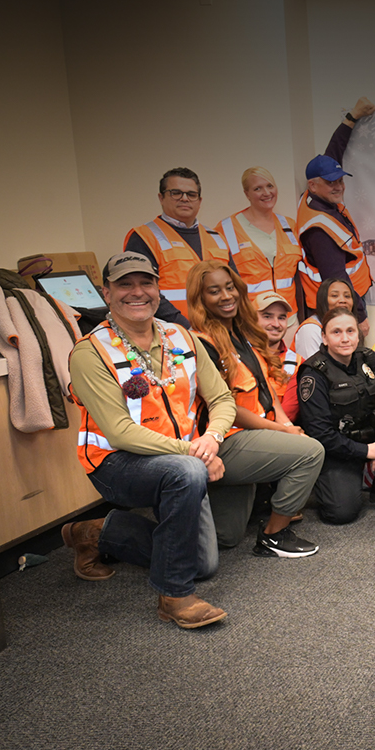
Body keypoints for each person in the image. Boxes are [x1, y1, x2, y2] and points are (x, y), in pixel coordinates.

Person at [60, 252, 230, 628]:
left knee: (204, 564)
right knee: (186, 473)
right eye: (125, 284)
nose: (137, 292)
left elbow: (221, 398)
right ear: (107, 293)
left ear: (158, 290)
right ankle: (175, 595)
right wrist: (194, 452)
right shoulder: (91, 352)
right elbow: (119, 431)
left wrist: (212, 438)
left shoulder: (181, 336)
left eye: (146, 283)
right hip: (115, 462)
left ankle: (96, 532)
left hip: (181, 458)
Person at [185, 262, 324, 555]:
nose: (226, 296)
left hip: (255, 436)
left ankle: (100, 531)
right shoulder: (200, 343)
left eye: (229, 287)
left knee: (225, 538)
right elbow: (227, 407)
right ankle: (274, 535)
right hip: (226, 440)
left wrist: (287, 426)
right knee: (311, 452)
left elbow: (266, 390)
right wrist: (282, 432)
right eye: (214, 291)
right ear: (200, 298)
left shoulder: (242, 334)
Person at [295, 308, 375, 525]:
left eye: (350, 331)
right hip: (338, 449)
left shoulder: (368, 358)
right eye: (336, 332)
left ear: (358, 334)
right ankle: (340, 477)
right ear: (324, 337)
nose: (345, 338)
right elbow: (320, 434)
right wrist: (366, 451)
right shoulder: (313, 374)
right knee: (341, 513)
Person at [296, 97, 375, 333]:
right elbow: (337, 277)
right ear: (313, 185)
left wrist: (352, 117)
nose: (339, 187)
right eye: (331, 182)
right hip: (341, 305)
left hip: (349, 298)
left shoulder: (314, 196)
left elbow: (331, 156)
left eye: (340, 181)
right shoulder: (319, 229)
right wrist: (359, 316)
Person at [124, 167, 230, 326]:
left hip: (220, 329)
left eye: (191, 194)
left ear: (199, 201)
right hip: (172, 332)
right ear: (161, 198)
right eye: (176, 193)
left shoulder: (217, 238)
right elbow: (143, 292)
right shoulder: (143, 237)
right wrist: (186, 328)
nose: (185, 199)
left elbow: (234, 287)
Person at [216, 167, 302, 314]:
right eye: (258, 188)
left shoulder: (289, 226)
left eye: (270, 186)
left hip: (288, 316)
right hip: (250, 317)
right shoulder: (226, 229)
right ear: (247, 194)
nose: (266, 193)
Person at [255, 291, 299, 418]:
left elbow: (288, 414)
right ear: (251, 319)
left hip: (279, 428)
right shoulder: (236, 355)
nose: (276, 324)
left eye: (281, 318)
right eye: (267, 316)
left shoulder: (298, 363)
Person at [293, 277, 354, 361]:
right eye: (334, 295)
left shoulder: (352, 327)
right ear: (323, 300)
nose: (343, 300)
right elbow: (312, 366)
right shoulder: (310, 329)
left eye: (347, 296)